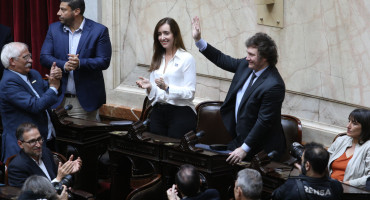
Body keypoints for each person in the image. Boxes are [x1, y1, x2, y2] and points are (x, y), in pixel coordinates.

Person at [191, 16, 286, 164]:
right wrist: (199, 41)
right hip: (241, 140)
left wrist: (245, 148)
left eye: (251, 55)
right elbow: (222, 59)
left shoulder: (274, 85)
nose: (247, 58)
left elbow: (263, 122)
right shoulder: (246, 65)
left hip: (261, 150)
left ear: (265, 58)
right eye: (247, 53)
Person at [40, 0, 112, 121]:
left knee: (81, 138)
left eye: (63, 9)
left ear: (76, 11)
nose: (58, 13)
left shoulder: (98, 31)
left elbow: (104, 61)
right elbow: (44, 57)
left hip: (83, 102)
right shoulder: (54, 29)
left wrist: (80, 63)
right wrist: (64, 65)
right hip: (57, 99)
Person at [0, 42, 61, 162]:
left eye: (30, 56)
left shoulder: (34, 74)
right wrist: (54, 87)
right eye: (26, 57)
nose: (31, 60)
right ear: (12, 61)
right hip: (23, 148)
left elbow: (48, 95)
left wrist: (55, 78)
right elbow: (35, 106)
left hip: (44, 141)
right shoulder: (8, 83)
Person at [136, 17, 196, 139]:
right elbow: (155, 94)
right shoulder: (158, 57)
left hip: (181, 112)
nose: (162, 37)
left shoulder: (186, 58)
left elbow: (190, 93)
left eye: (166, 33)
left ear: (175, 34)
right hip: (158, 112)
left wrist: (167, 88)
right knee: (155, 152)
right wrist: (149, 87)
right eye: (159, 34)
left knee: (172, 154)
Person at [8, 123, 82, 188]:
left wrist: (68, 172)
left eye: (39, 139)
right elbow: (31, 196)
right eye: (32, 141)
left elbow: (61, 181)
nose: (38, 145)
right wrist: (58, 179)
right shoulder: (16, 167)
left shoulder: (46, 153)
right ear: (20, 144)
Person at [272, 142, 343, 200]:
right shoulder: (336, 186)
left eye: (302, 160)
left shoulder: (291, 186)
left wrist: (301, 177)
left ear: (307, 165)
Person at [328, 108, 370, 188]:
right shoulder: (341, 140)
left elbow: (369, 178)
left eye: (354, 123)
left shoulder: (368, 147)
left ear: (366, 127)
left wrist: (345, 184)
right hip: (328, 188)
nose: (348, 126)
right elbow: (324, 163)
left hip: (351, 191)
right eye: (349, 121)